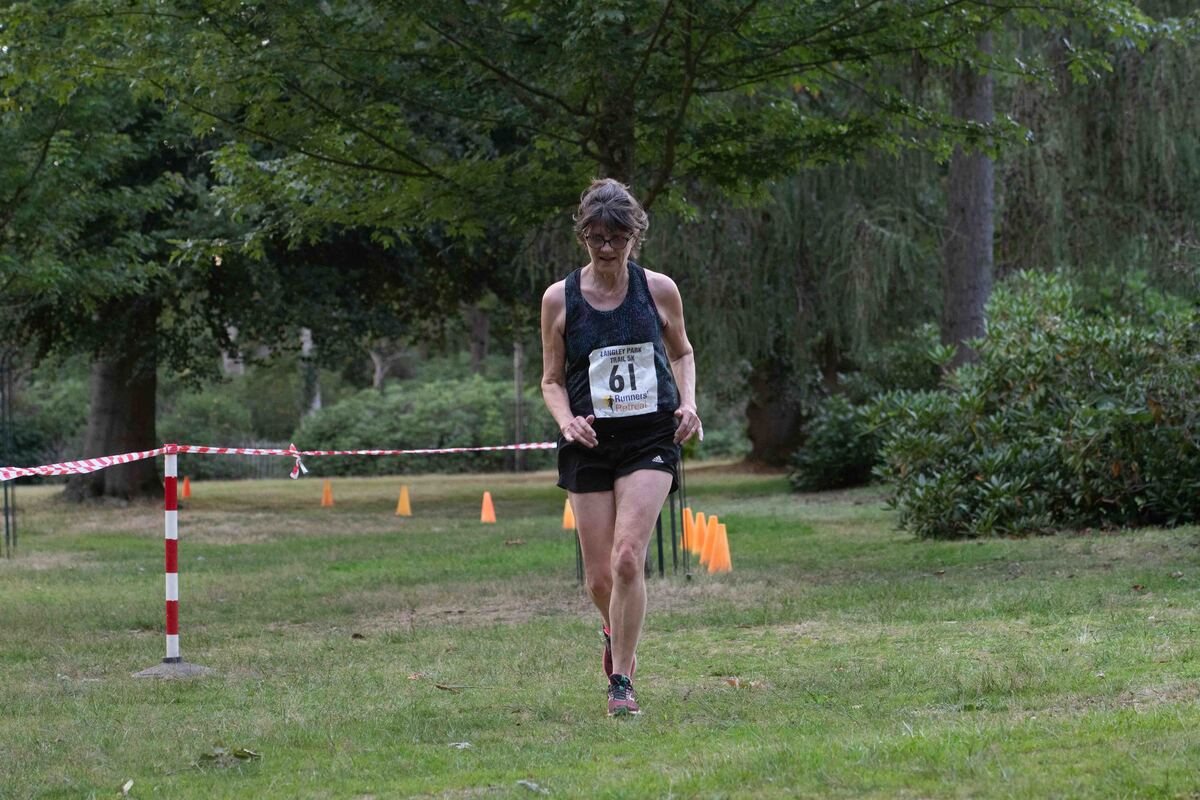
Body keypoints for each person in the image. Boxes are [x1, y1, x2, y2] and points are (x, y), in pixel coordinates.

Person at [540, 178, 702, 717]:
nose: (607, 248)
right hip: (589, 440)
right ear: (582, 235)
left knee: (629, 557)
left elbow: (682, 352)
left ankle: (622, 680)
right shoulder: (559, 298)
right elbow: (551, 380)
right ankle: (613, 627)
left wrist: (688, 402)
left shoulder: (658, 290)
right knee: (600, 578)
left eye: (617, 237)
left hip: (649, 436)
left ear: (635, 236)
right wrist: (567, 422)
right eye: (596, 237)